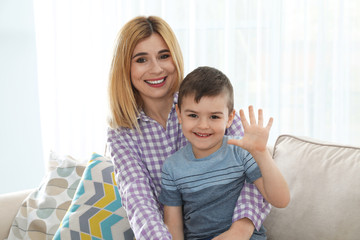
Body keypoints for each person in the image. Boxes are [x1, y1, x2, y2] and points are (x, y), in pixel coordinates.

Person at [107, 16, 271, 240]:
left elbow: (254, 171)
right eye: (141, 59)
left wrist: (241, 228)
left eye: (164, 56)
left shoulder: (206, 102)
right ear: (125, 67)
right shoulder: (121, 134)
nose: (156, 69)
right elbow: (138, 201)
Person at [159, 66, 290, 240]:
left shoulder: (241, 152)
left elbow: (281, 200)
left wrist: (261, 153)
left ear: (229, 118)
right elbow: (173, 226)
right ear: (179, 114)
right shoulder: (172, 167)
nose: (203, 125)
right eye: (193, 115)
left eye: (214, 117)